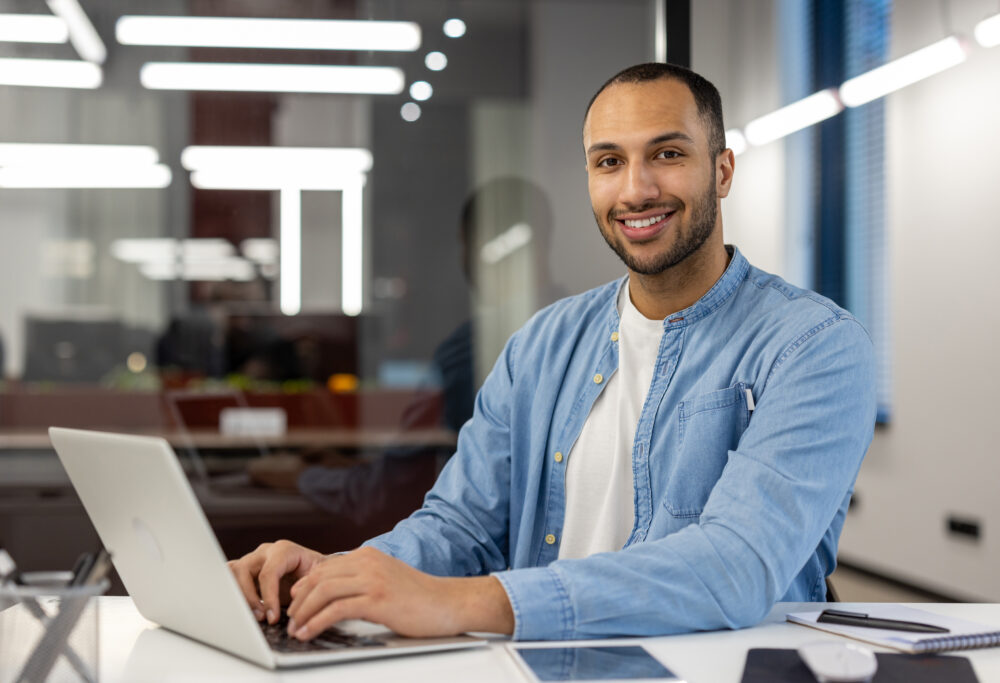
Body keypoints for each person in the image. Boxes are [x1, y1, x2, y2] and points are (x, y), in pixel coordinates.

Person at [228, 62, 876, 642]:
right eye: (609, 161)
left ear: (723, 170)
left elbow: (734, 567)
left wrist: (464, 602)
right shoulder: (541, 344)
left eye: (668, 153)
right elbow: (460, 527)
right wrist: (334, 578)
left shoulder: (813, 346)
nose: (636, 189)